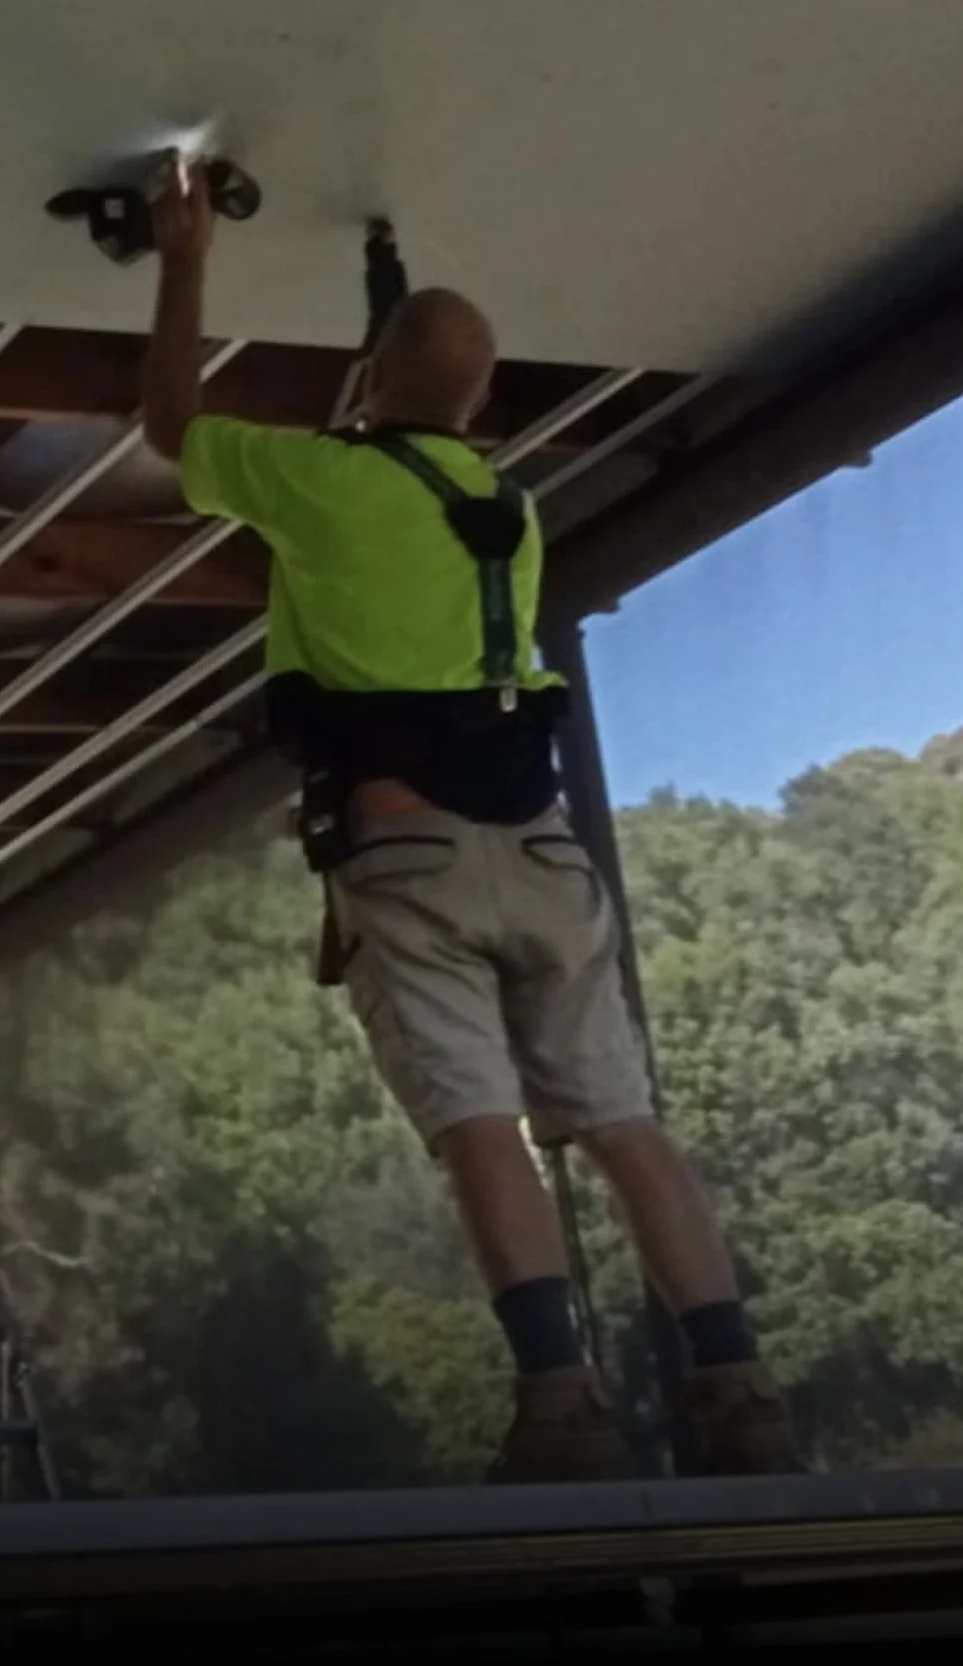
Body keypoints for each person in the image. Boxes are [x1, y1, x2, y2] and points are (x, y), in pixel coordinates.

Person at [137, 164, 804, 1482]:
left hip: (412, 852)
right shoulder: (514, 511)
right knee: (623, 1124)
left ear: (369, 379)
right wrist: (391, 376)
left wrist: (185, 257)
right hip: (547, 853)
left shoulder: (323, 481)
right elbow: (415, 446)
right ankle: (742, 1395)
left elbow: (172, 423)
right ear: (482, 399)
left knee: (480, 1125)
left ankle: (561, 1404)